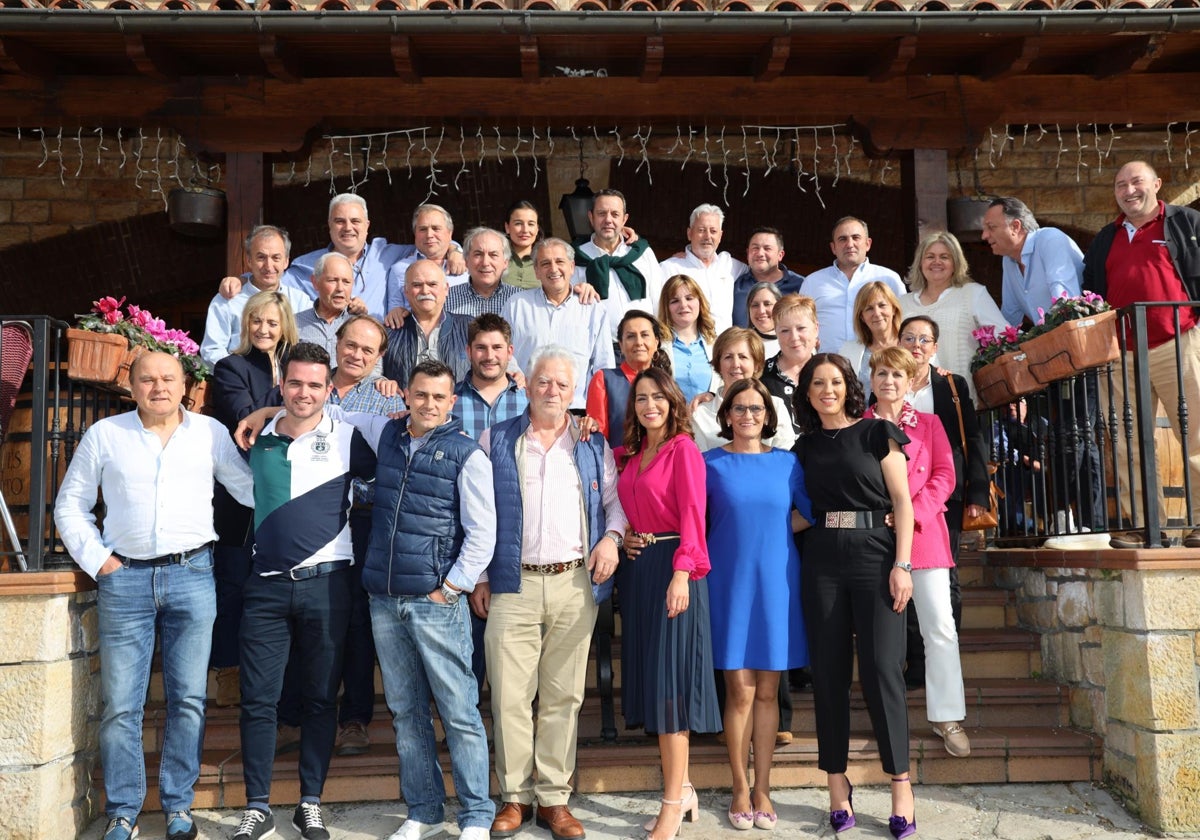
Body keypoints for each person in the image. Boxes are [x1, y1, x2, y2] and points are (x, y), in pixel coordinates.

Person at [55, 351, 256, 840]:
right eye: (148, 378)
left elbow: (249, 488)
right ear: (132, 384)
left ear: (185, 383)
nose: (159, 386)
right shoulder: (107, 434)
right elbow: (70, 504)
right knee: (122, 704)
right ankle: (123, 810)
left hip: (192, 575)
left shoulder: (208, 433)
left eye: (168, 378)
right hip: (125, 581)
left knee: (188, 699)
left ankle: (177, 805)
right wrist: (99, 560)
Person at [472, 346, 627, 840]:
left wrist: (612, 538)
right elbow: (475, 513)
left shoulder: (590, 445)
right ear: (528, 385)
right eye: (544, 382)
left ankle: (555, 799)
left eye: (562, 384)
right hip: (511, 583)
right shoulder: (494, 438)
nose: (552, 391)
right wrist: (478, 575)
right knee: (510, 697)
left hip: (574, 583)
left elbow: (615, 503)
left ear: (574, 391)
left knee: (564, 695)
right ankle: (514, 798)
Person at [231, 342, 376, 840]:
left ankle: (309, 801)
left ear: (328, 389)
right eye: (295, 383)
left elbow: (399, 458)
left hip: (329, 586)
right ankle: (257, 805)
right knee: (259, 700)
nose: (304, 393)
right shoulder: (254, 438)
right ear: (282, 385)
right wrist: (264, 413)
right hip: (266, 588)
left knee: (319, 698)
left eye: (315, 385)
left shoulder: (350, 436)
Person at [792, 352, 916, 840]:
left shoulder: (876, 432)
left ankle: (900, 786)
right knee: (829, 673)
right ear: (807, 392)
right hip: (821, 557)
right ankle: (836, 784)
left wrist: (902, 564)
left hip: (876, 556)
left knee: (884, 669)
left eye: (836, 382)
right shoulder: (801, 448)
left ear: (849, 386)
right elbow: (803, 513)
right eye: (817, 383)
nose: (827, 390)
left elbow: (902, 500)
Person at [615, 368, 721, 840]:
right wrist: (627, 540)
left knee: (670, 691)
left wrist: (682, 571)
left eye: (658, 397)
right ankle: (687, 788)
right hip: (641, 571)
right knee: (656, 684)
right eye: (641, 398)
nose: (649, 405)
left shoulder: (683, 450)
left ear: (672, 401)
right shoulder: (633, 454)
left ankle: (673, 805)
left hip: (677, 571)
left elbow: (694, 515)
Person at [704, 377, 811, 832]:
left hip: (777, 584)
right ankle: (739, 786)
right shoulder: (708, 463)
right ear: (726, 415)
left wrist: (776, 534)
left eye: (756, 409)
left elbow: (810, 512)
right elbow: (692, 518)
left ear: (769, 416)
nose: (748, 416)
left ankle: (764, 787)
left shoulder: (788, 464)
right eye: (739, 408)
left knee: (768, 690)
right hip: (727, 584)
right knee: (739, 690)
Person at [1082, 160, 1200, 549]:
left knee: (1196, 434)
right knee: (1127, 440)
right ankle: (1150, 527)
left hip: (1177, 340)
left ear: (1157, 184)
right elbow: (1092, 292)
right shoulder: (1106, 237)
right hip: (1122, 352)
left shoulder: (1184, 222)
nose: (1128, 190)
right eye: (1120, 185)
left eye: (1136, 182)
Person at [982, 196, 1108, 550]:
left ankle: (1090, 523)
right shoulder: (1010, 262)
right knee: (1062, 437)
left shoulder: (1049, 239)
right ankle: (1067, 519)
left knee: (1080, 433)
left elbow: (1063, 297)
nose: (985, 234)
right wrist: (991, 352)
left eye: (991, 227)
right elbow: (1007, 316)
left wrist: (1036, 342)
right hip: (1050, 360)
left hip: (1077, 352)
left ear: (1015, 226)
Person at [864, 346, 970, 758]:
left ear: (911, 382)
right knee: (878, 635)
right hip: (874, 539)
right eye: (881, 373)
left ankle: (947, 716)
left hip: (924, 537)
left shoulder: (930, 424)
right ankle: (885, 717)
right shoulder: (860, 426)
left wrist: (911, 513)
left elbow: (945, 475)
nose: (889, 381)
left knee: (939, 628)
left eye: (897, 374)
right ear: (871, 380)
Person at [209, 290, 296, 708]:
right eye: (257, 321)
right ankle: (226, 670)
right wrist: (282, 401)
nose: (264, 329)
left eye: (272, 323)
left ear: (284, 327)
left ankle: (278, 676)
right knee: (234, 585)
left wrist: (288, 385)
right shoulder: (230, 367)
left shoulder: (298, 367)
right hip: (238, 499)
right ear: (246, 323)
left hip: (289, 496)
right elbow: (246, 420)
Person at [326, 315, 406, 758]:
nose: (356, 354)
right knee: (315, 618)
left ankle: (354, 718)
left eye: (367, 350)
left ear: (379, 358)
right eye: (350, 344)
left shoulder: (383, 400)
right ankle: (303, 713)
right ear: (336, 343)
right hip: (312, 523)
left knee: (357, 618)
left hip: (363, 521)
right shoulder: (309, 387)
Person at [899, 315, 990, 688]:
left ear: (935, 347)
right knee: (903, 573)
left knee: (944, 579)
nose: (916, 345)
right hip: (900, 497)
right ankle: (915, 663)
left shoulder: (952, 385)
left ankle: (944, 656)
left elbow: (972, 438)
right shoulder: (887, 383)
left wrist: (978, 492)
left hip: (944, 494)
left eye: (924, 339)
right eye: (909, 338)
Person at [454, 313, 530, 693]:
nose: (488, 355)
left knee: (512, 652)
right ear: (468, 351)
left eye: (497, 347)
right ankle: (466, 733)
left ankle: (508, 729)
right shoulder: (447, 400)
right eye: (481, 347)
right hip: (460, 535)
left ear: (509, 351)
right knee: (465, 652)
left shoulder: (530, 402)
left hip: (515, 537)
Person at [503, 237, 615, 409]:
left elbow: (603, 365)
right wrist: (515, 375)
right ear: (536, 271)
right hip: (525, 406)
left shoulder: (592, 308)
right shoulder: (517, 305)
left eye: (560, 261)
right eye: (545, 263)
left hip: (576, 409)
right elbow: (502, 351)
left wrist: (596, 410)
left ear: (571, 267)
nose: (553, 269)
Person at [900, 231, 1007, 401]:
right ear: (920, 262)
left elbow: (1004, 337)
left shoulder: (972, 294)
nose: (937, 262)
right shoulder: (903, 303)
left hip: (959, 399)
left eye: (944, 257)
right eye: (930, 257)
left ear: (955, 263)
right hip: (912, 402)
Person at [201, 224, 313, 366]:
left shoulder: (300, 301)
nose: (268, 265)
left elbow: (310, 344)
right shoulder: (227, 300)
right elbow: (211, 351)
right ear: (249, 260)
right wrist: (241, 373)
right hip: (239, 383)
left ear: (286, 261)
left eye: (276, 258)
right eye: (261, 257)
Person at [800, 216, 907, 354]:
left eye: (856, 238)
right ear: (833, 247)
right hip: (826, 366)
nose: (849, 244)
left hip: (878, 366)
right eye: (842, 239)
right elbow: (800, 324)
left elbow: (905, 322)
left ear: (868, 244)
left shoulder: (889, 279)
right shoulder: (813, 282)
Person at [573, 188, 666, 341]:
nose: (608, 220)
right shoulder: (575, 258)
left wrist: (662, 342)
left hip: (642, 346)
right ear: (591, 217)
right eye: (602, 213)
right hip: (597, 348)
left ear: (624, 219)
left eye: (615, 214)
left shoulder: (642, 253)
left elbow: (659, 300)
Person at [691, 327, 795, 453]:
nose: (735, 364)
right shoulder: (700, 414)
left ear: (756, 365)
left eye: (743, 357)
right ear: (718, 365)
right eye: (728, 357)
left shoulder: (776, 406)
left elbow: (784, 457)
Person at [586, 309, 672, 447]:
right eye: (631, 336)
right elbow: (598, 439)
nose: (638, 342)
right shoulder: (604, 380)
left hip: (660, 464)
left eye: (645, 335)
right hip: (618, 465)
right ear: (621, 345)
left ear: (656, 343)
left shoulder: (667, 383)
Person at [382, 260, 472, 388]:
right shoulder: (389, 332)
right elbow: (372, 372)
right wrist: (382, 382)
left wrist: (510, 371)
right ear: (406, 291)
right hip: (405, 406)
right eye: (417, 285)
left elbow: (497, 357)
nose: (425, 291)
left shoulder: (470, 327)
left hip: (459, 406)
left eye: (432, 284)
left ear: (446, 289)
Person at [659, 204, 746, 334]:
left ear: (721, 236)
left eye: (713, 231)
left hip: (724, 349)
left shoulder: (730, 265)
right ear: (689, 233)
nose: (708, 236)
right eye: (701, 230)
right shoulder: (669, 268)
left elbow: (761, 272)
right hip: (686, 348)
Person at [386, 203, 471, 313]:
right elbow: (394, 310)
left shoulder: (467, 264)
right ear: (415, 233)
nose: (429, 235)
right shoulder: (399, 269)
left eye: (436, 228)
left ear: (450, 233)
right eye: (423, 229)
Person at [761, 294, 820, 439]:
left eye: (801, 328)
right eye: (785, 330)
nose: (794, 337)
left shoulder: (831, 372)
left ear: (816, 329)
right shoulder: (760, 374)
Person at [658, 272, 718, 402]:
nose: (683, 305)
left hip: (708, 420)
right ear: (666, 308)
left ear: (700, 302)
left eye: (689, 298)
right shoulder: (657, 347)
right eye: (674, 301)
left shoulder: (717, 345)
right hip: (672, 420)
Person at [839, 281, 903, 399]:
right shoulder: (848, 351)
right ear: (862, 316)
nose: (877, 313)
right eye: (869, 308)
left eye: (882, 305)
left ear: (894, 309)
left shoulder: (911, 346)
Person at [731, 227, 804, 329]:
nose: (760, 253)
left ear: (780, 255)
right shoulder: (735, 284)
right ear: (748, 253)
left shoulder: (801, 285)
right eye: (755, 248)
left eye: (767, 248)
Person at [446, 226, 521, 318]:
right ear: (466, 261)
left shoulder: (520, 300)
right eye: (478, 254)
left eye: (493, 255)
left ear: (505, 263)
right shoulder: (446, 298)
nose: (485, 263)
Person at [502, 199, 542, 290]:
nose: (525, 230)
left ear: (537, 229)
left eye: (531, 224)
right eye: (518, 223)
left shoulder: (547, 260)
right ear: (507, 227)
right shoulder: (496, 259)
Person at [747, 281, 782, 358]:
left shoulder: (794, 342)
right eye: (755, 305)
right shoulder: (740, 344)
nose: (761, 311)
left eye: (767, 304)